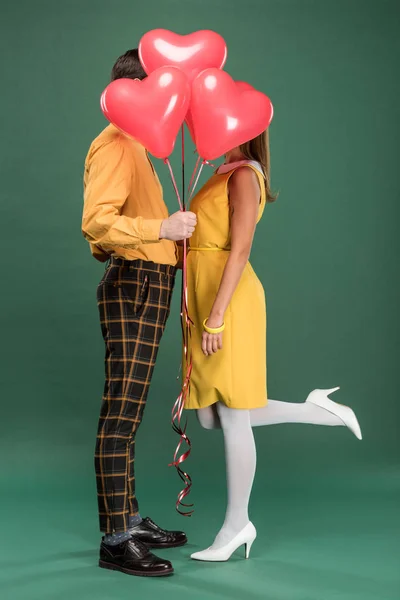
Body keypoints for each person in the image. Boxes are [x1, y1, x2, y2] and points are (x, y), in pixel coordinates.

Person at [184, 129, 362, 562]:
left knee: (231, 413)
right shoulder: (219, 170)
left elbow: (241, 248)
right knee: (212, 416)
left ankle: (236, 525)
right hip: (204, 292)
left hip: (228, 301)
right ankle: (319, 411)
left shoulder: (245, 174)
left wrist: (218, 315)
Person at [82, 49, 197, 577]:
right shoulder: (114, 144)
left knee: (129, 414)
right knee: (119, 416)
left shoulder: (138, 144)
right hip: (135, 284)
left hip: (151, 281)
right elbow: (96, 224)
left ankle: (128, 518)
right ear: (134, 91)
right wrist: (162, 231)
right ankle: (114, 539)